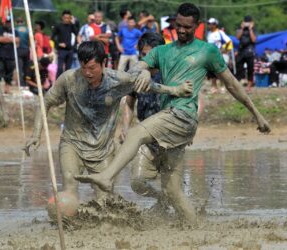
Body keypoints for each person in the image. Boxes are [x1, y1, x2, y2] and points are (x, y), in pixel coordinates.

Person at [75, 3, 271, 224]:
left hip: (183, 116)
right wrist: (146, 73)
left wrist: (257, 114)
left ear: (197, 26)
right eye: (179, 26)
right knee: (172, 190)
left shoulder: (207, 51)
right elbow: (137, 68)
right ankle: (196, 230)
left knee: (136, 132)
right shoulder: (161, 51)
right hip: (169, 121)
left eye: (187, 27)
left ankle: (106, 176)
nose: (182, 30)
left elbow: (233, 84)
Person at [23, 41, 188, 202]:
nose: (87, 73)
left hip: (103, 149)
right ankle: (67, 218)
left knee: (104, 199)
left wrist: (174, 90)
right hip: (72, 143)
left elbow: (149, 85)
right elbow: (46, 102)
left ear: (104, 63)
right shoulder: (69, 79)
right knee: (69, 184)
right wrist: (36, 135)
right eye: (84, 68)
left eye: (92, 68)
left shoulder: (118, 81)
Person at [121, 32, 177, 205]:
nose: (146, 59)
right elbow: (129, 102)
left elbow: (193, 100)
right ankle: (161, 200)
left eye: (150, 54)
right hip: (146, 138)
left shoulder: (172, 72)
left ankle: (171, 208)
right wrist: (124, 127)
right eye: (143, 55)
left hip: (170, 139)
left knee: (173, 189)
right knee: (137, 183)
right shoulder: (135, 75)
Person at [206, 17, 232, 94]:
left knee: (221, 72)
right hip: (211, 55)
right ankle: (214, 87)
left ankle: (223, 87)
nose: (209, 25)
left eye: (210, 24)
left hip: (218, 54)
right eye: (208, 24)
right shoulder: (209, 33)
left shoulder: (220, 32)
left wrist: (224, 50)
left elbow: (228, 41)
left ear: (215, 25)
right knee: (212, 72)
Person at [0, 16, 20, 94]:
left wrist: (6, 39)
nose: (8, 24)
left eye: (9, 22)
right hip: (1, 54)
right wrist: (11, 40)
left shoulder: (14, 31)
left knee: (9, 72)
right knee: (0, 71)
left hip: (11, 55)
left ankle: (7, 88)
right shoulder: (0, 29)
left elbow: (17, 40)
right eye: (7, 22)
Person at [51, 10, 78, 78]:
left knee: (68, 69)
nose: (66, 19)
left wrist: (73, 23)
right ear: (62, 17)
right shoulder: (58, 26)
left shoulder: (71, 26)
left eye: (68, 18)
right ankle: (57, 84)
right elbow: (52, 37)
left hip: (70, 49)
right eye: (65, 18)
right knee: (60, 68)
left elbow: (77, 34)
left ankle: (66, 84)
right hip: (61, 50)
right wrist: (58, 44)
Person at [236, 15, 257, 92]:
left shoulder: (253, 29)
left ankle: (249, 86)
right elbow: (237, 37)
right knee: (239, 67)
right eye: (246, 22)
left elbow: (254, 40)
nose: (247, 24)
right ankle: (238, 84)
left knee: (250, 69)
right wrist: (242, 28)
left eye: (248, 22)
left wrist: (250, 29)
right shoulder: (240, 28)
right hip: (241, 51)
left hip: (250, 51)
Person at [16, 17, 30, 87]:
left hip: (18, 49)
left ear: (16, 22)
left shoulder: (15, 29)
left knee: (19, 67)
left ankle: (20, 83)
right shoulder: (27, 29)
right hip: (26, 49)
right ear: (23, 22)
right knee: (26, 67)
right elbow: (31, 40)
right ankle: (25, 82)